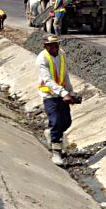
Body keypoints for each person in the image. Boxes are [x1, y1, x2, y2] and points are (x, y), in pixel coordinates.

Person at [36, 34, 82, 166]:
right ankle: (56, 152)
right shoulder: (42, 59)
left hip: (62, 93)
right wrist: (63, 93)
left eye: (57, 45)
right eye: (52, 46)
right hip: (49, 95)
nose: (55, 48)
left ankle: (51, 134)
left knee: (66, 122)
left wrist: (70, 92)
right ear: (45, 46)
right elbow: (48, 80)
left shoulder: (61, 54)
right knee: (56, 121)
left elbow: (64, 73)